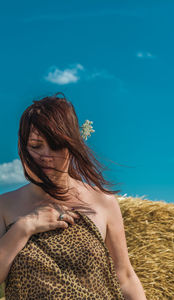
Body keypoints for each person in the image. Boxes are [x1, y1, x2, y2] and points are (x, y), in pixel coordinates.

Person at [0, 93, 147, 299]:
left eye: (56, 144)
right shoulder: (4, 206)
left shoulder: (102, 202)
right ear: (22, 147)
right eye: (36, 145)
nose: (46, 155)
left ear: (72, 144)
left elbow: (124, 276)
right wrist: (26, 227)